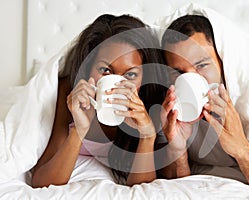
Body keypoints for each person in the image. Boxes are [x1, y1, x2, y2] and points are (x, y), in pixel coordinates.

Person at [159, 14, 249, 199]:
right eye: (178, 72)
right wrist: (177, 149)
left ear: (222, 60)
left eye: (202, 65)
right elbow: (174, 187)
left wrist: (241, 148)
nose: (193, 78)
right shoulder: (170, 107)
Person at [31, 14, 167, 188]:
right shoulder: (70, 93)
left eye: (131, 74)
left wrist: (147, 135)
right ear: (88, 68)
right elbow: (41, 183)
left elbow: (143, 190)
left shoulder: (149, 102)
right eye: (105, 70)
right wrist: (80, 130)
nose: (116, 83)